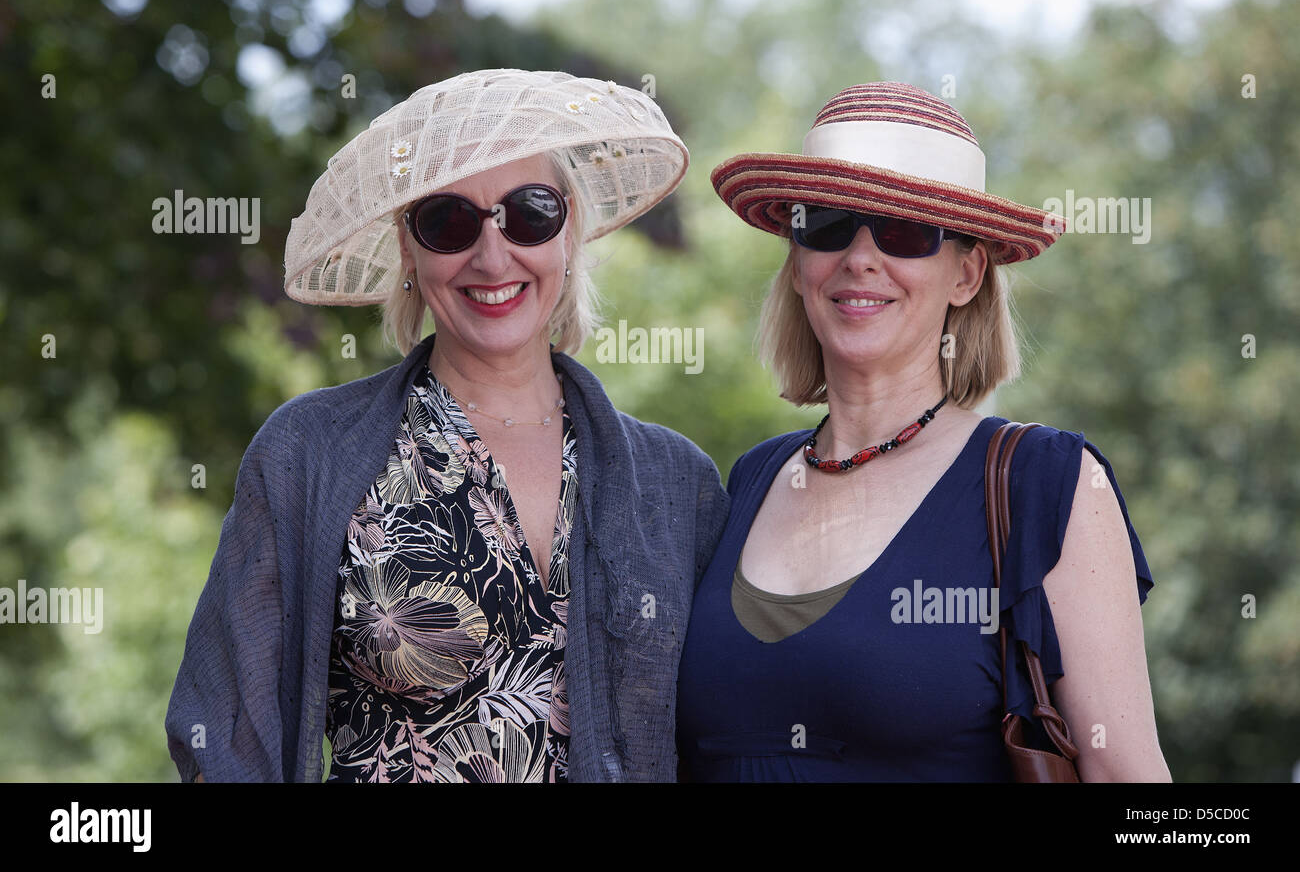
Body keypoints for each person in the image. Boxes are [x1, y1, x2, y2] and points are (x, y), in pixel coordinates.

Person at [166, 68, 730, 782]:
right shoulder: (306, 452)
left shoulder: (677, 481)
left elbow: (725, 731)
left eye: (529, 213)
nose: (492, 257)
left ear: (569, 235)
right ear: (408, 248)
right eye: (448, 221)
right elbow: (223, 730)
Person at [677, 81, 1170, 781]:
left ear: (967, 273)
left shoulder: (1048, 484)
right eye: (827, 222)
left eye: (906, 231)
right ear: (796, 261)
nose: (861, 258)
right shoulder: (750, 479)